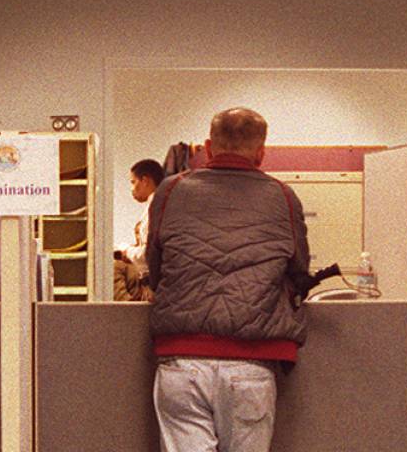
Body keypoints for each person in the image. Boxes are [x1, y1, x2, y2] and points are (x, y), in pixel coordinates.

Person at [146, 107, 310, 452]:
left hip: (182, 360)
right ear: (261, 152)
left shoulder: (170, 191)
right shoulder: (283, 196)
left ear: (208, 146)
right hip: (252, 364)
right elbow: (298, 269)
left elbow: (156, 266)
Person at [113, 158, 164, 301]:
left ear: (145, 180)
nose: (132, 188)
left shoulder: (155, 209)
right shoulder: (160, 205)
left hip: (154, 286)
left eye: (133, 182)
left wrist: (126, 251)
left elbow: (148, 254)